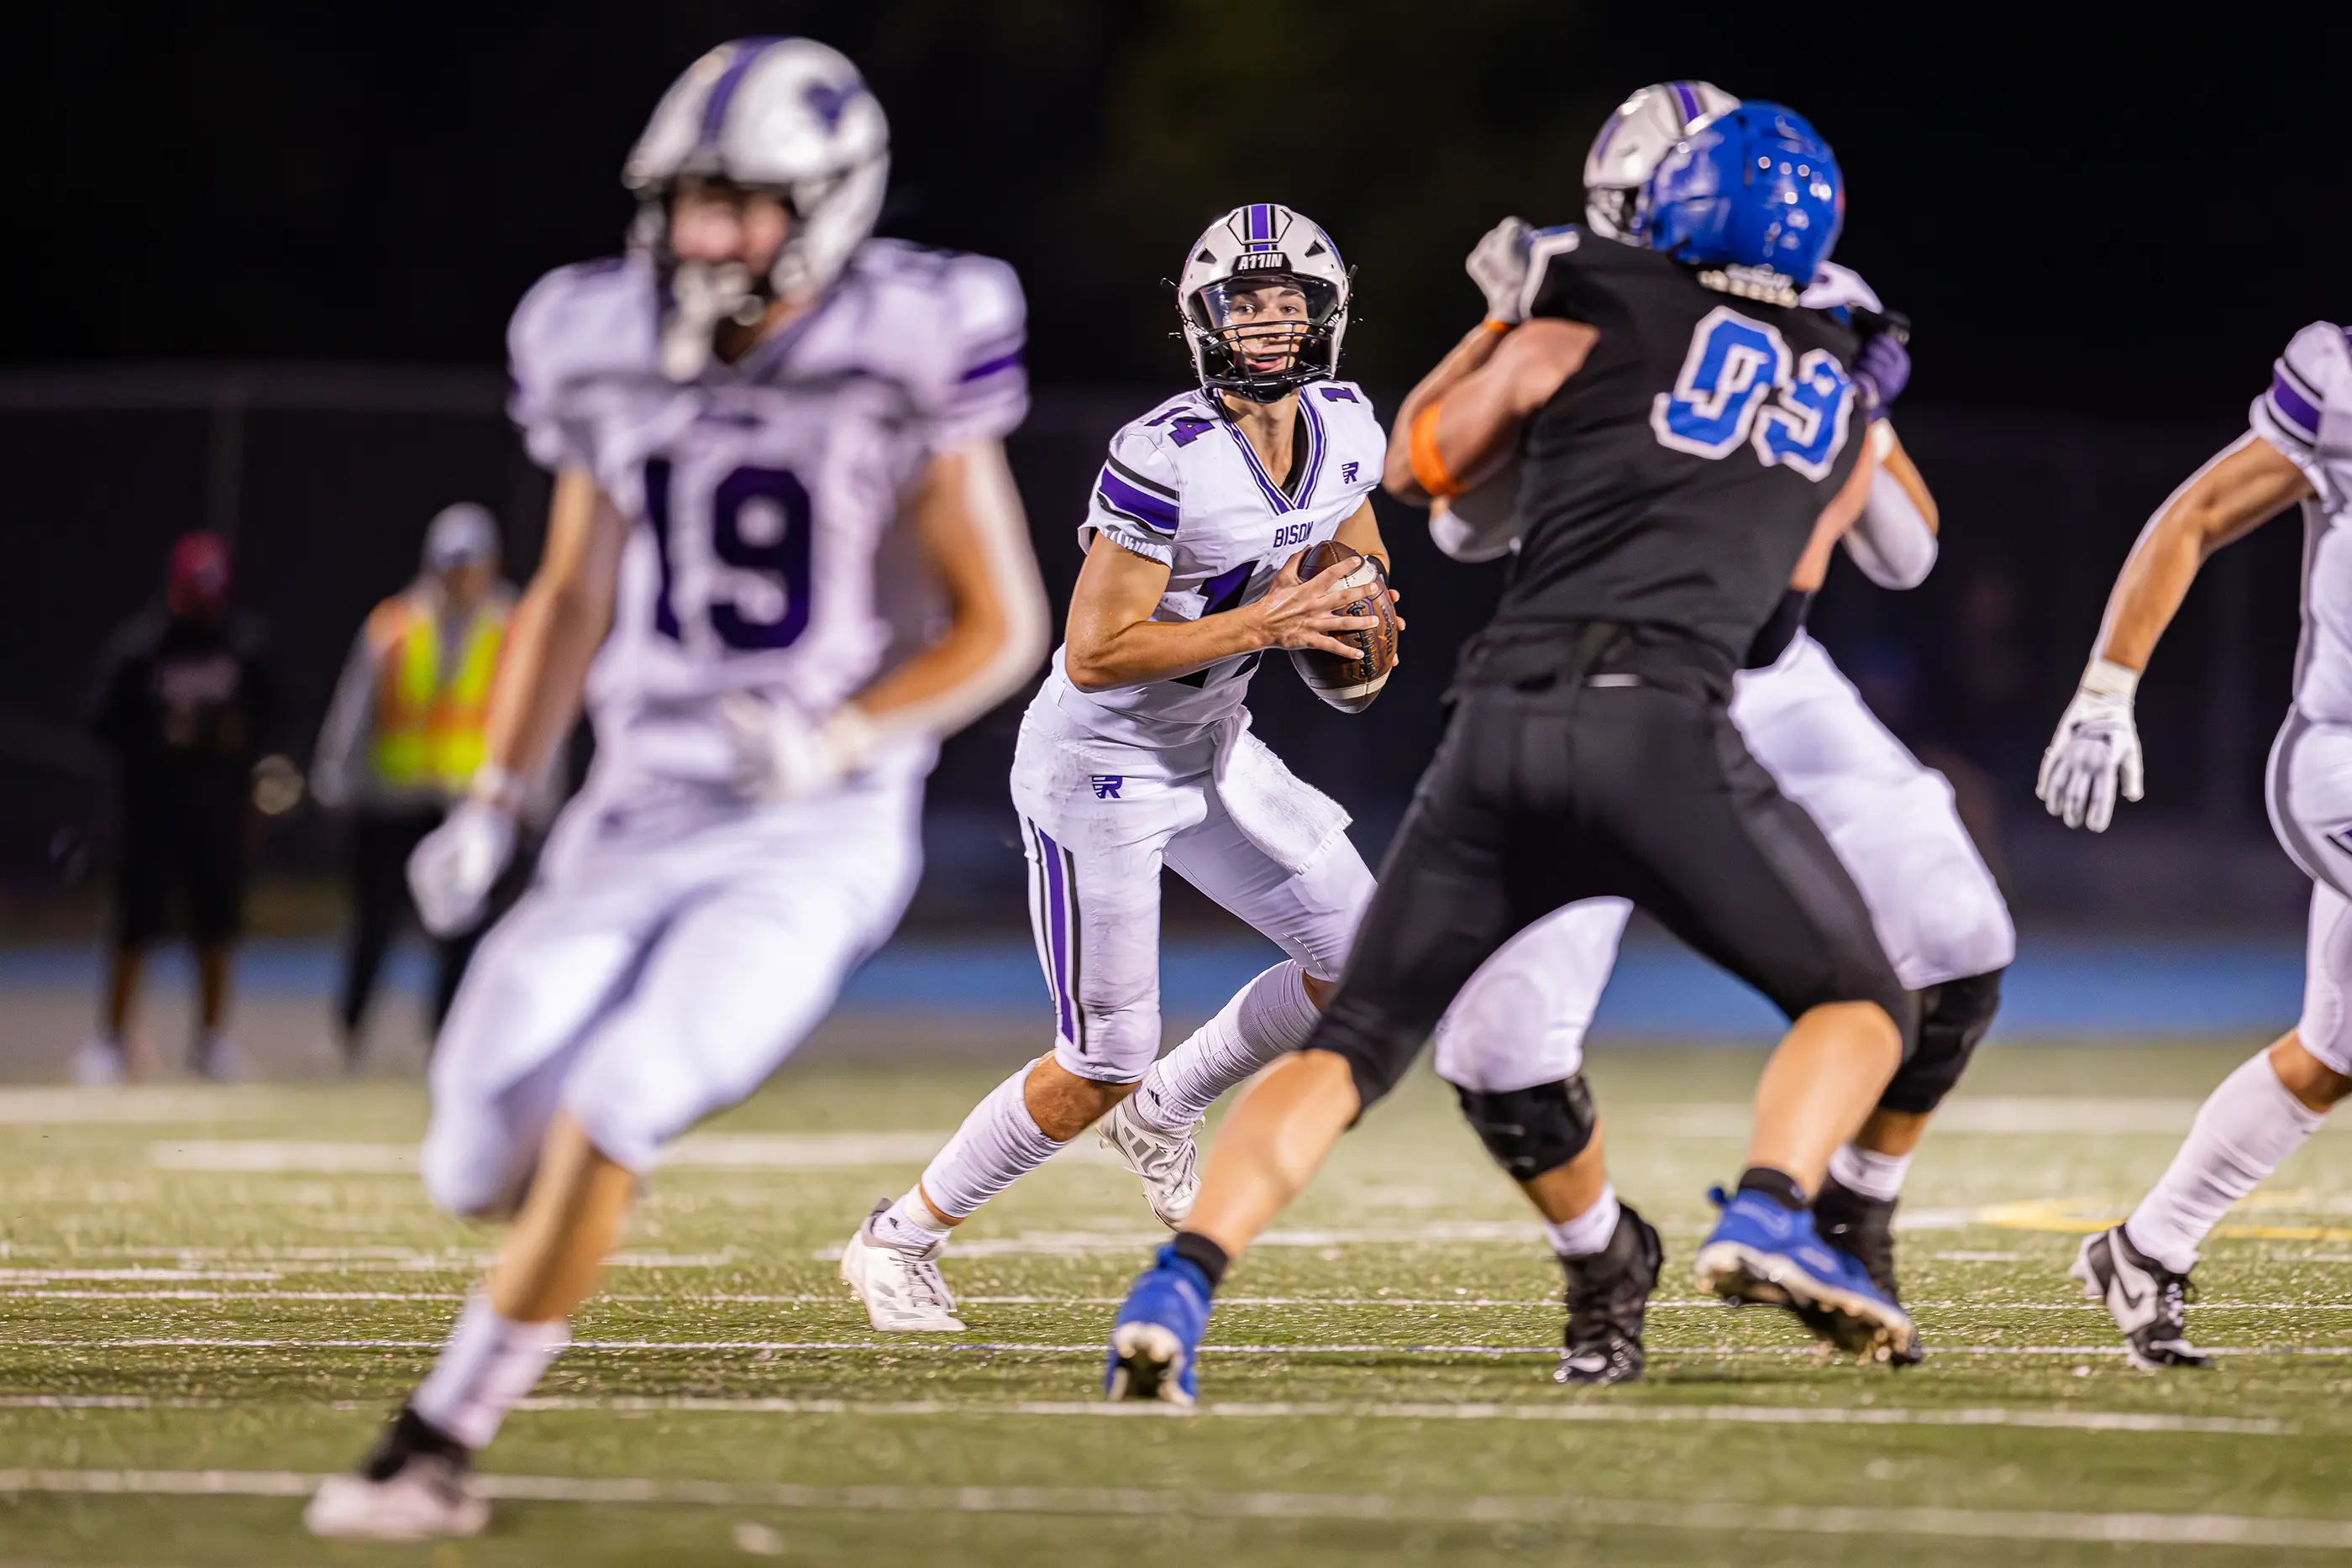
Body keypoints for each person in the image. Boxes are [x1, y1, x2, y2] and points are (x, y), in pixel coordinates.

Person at [302, 37, 1047, 1538]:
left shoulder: (911, 342)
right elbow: (572, 591)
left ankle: (434, 1446)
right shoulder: (597, 341)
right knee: (471, 1157)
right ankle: (571, 1215)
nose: (704, 237)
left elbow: (1001, 625)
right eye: (687, 203)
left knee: (620, 1093)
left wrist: (842, 738)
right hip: (631, 814)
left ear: (830, 206)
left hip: (812, 826)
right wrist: (494, 797)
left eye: (740, 205)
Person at [1106, 102, 1922, 1406]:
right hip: (1664, 729)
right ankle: (1773, 1203)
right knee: (1864, 1001)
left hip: (1501, 721)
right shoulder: (1834, 378)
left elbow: (1423, 462)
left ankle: (1179, 1280)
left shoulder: (1592, 306)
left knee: (1354, 1039)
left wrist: (1505, 322)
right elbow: (1781, 618)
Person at [1420, 83, 2012, 1384]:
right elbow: (1459, 519)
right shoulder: (1583, 301)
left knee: (1960, 934)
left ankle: (1852, 1208)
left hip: (1767, 675)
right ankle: (1601, 1256)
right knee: (1497, 1044)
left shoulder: (1810, 306)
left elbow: (1906, 550)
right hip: (1596, 680)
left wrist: (1860, 411)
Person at [839, 202, 1394, 1332]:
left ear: (1327, 317)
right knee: (1100, 1060)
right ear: (1202, 322)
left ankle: (1167, 1110)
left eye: (1287, 304)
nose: (1267, 324)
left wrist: (1360, 605)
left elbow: (1354, 539)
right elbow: (1095, 652)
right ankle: (896, 1237)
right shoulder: (1165, 452)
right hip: (1102, 764)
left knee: (1367, 961)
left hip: (1213, 745)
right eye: (1244, 305)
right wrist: (1270, 622)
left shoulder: (1345, 424)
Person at [2039, 318, 2349, 1368]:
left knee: (2331, 1054)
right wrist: (2105, 689)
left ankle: (2145, 1247)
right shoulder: (2342, 380)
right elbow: (2199, 512)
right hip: (2342, 759)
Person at [312, 503, 532, 1062]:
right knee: (373, 924)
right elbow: (356, 707)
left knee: (463, 928)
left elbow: (533, 715)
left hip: (469, 803)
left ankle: (446, 1039)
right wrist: (335, 778)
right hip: (392, 803)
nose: (460, 578)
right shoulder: (396, 624)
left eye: (469, 565)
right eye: (451, 565)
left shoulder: (512, 628)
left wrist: (527, 793)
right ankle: (347, 1033)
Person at [79, 531, 283, 1083]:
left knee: (216, 929)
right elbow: (101, 720)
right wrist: (154, 736)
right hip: (150, 815)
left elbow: (272, 720)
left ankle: (211, 1042)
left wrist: (244, 754)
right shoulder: (141, 649)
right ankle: (110, 1042)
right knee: (133, 928)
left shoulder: (243, 648)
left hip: (217, 815)